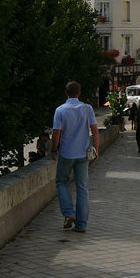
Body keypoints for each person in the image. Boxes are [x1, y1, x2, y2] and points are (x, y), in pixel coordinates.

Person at [51, 81, 99, 233]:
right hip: (83, 154)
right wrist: (96, 149)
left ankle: (68, 213)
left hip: (66, 153)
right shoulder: (87, 108)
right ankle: (81, 224)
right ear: (79, 93)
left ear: (66, 93)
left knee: (61, 183)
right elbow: (95, 131)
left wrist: (54, 150)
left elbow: (56, 133)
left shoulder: (60, 110)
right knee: (82, 188)